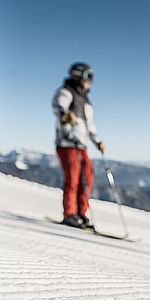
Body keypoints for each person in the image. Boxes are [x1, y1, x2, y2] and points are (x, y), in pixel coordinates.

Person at [52, 62, 105, 228]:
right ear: (78, 75)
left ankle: (81, 213)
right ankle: (70, 214)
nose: (90, 80)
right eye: (88, 76)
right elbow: (58, 105)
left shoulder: (86, 100)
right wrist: (64, 114)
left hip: (81, 146)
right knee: (73, 178)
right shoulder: (66, 92)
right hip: (67, 144)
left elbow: (89, 125)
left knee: (87, 177)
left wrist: (97, 141)